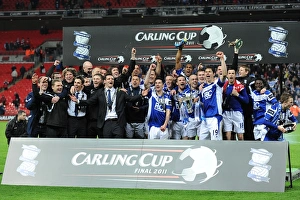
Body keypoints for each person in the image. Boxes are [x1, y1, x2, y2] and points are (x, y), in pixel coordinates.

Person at [70, 73, 148, 138]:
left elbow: (131, 99)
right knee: (107, 144)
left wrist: (141, 95)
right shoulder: (100, 93)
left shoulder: (120, 92)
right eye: (108, 79)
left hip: (118, 122)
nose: (111, 80)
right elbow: (89, 101)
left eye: (112, 79)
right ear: (104, 81)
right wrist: (78, 101)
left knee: (118, 142)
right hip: (106, 122)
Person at [198, 51, 227, 140]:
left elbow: (224, 74)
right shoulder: (202, 88)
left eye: (209, 72)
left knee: (216, 142)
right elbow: (202, 105)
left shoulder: (216, 84)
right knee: (201, 142)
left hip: (215, 117)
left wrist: (222, 59)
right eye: (206, 72)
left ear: (213, 74)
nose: (207, 73)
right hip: (205, 119)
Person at [222, 68, 249, 140]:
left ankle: (241, 150)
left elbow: (246, 100)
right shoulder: (224, 86)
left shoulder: (240, 86)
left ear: (235, 75)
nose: (231, 75)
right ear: (227, 75)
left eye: (233, 73)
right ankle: (229, 150)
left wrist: (237, 95)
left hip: (237, 112)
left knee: (240, 136)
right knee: (228, 136)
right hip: (226, 113)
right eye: (229, 73)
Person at [125, 75, 148, 139]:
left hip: (140, 121)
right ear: (131, 81)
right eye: (133, 79)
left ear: (140, 82)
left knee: (141, 141)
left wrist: (140, 109)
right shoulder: (126, 91)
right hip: (129, 122)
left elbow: (147, 105)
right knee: (129, 141)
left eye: (136, 80)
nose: (134, 81)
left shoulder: (143, 91)